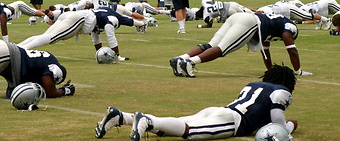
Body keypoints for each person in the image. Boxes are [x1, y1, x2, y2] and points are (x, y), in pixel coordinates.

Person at [95, 64, 297, 141]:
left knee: (174, 124)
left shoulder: (254, 84)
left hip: (219, 111)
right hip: (232, 121)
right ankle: (146, 121)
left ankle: (121, 117)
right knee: (186, 131)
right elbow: (277, 123)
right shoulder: (282, 91)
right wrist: (290, 127)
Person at [170, 12, 312, 78]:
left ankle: (181, 59)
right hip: (250, 22)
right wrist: (298, 71)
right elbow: (292, 51)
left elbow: (265, 51)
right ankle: (190, 62)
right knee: (222, 50)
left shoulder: (275, 25)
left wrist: (270, 71)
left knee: (212, 44)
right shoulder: (289, 28)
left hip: (239, 16)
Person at [17, 7, 147, 60]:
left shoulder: (108, 15)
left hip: (73, 15)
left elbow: (129, 21)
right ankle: (21, 50)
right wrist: (117, 56)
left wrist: (143, 23)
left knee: (45, 36)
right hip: (80, 19)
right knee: (51, 38)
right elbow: (110, 37)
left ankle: (17, 46)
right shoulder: (110, 21)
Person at [0, 40, 75, 99]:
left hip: (7, 49)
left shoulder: (41, 61)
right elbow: (51, 92)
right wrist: (64, 91)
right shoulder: (52, 66)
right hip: (8, 53)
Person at [257, 2, 332, 30]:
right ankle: (318, 21)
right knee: (301, 19)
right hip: (285, 12)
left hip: (289, 9)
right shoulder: (261, 10)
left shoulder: (269, 13)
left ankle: (327, 20)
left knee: (306, 16)